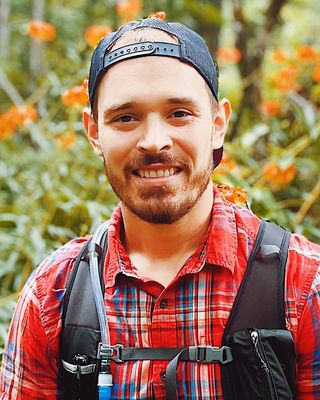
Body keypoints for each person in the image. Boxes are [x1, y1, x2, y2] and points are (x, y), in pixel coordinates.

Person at [0, 15, 319, 400]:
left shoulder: (304, 287)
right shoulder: (53, 296)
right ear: (93, 131)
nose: (154, 141)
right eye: (126, 118)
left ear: (219, 124)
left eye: (179, 113)